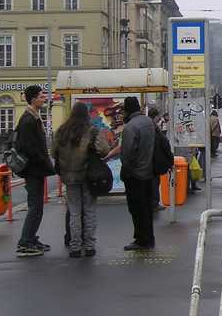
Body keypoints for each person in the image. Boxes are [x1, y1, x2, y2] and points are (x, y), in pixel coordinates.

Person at [52, 102, 110, 258]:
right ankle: (89, 246)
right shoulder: (92, 131)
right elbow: (104, 150)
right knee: (89, 211)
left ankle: (75, 247)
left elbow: (53, 152)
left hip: (69, 177)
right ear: (86, 114)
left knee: (74, 212)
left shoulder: (62, 131)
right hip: (88, 176)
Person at [13, 85, 56, 258]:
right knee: (35, 207)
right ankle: (25, 242)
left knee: (37, 207)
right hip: (33, 171)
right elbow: (29, 147)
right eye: (40, 96)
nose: (44, 98)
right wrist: (43, 161)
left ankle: (30, 238)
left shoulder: (33, 117)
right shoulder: (28, 120)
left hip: (35, 170)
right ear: (32, 99)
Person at [120, 96, 155, 251]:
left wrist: (126, 170)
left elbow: (127, 154)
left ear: (127, 110)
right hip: (149, 172)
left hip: (135, 175)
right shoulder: (148, 122)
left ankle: (141, 240)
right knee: (147, 208)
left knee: (136, 209)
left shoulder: (130, 127)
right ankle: (149, 238)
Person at [149, 108, 167, 212]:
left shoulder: (149, 125)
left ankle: (153, 202)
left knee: (154, 182)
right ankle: (154, 203)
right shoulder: (153, 127)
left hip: (151, 159)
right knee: (155, 182)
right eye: (158, 116)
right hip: (154, 159)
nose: (160, 118)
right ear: (155, 116)